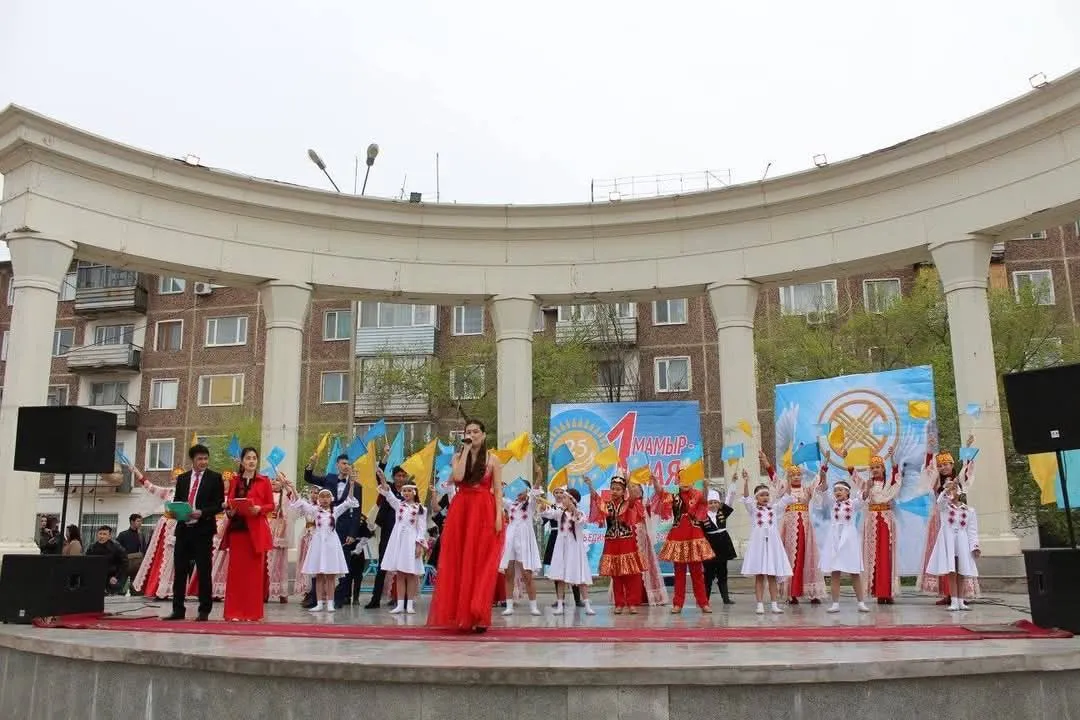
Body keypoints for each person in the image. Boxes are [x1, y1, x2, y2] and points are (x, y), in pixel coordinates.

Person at [427, 419, 506, 632]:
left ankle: (479, 613)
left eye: (476, 431)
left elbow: (498, 490)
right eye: (468, 432)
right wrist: (466, 450)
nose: (472, 435)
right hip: (461, 510)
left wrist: (499, 516)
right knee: (460, 560)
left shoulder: (493, 459)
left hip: (484, 509)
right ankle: (461, 614)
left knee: (481, 562)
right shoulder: (457, 457)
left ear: (484, 434)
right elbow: (459, 477)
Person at [165, 445, 225, 621]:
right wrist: (174, 511)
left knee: (204, 571)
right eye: (200, 459)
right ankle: (178, 610)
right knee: (180, 570)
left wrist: (202, 512)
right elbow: (177, 500)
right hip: (183, 529)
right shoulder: (183, 478)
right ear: (193, 460)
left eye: (206, 458)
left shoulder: (215, 478)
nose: (203, 462)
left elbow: (219, 504)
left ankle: (204, 610)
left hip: (203, 530)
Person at [917, 433, 977, 605]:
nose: (943, 468)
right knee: (944, 556)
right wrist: (930, 451)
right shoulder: (936, 482)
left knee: (960, 557)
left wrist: (967, 448)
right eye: (940, 465)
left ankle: (960, 595)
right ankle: (948, 593)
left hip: (958, 521)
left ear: (952, 465)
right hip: (941, 521)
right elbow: (927, 472)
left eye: (946, 464)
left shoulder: (959, 480)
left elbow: (967, 469)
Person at [762, 450, 826, 605]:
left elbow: (819, 483)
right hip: (789, 526)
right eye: (793, 475)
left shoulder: (807, 489)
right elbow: (774, 477)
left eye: (798, 475)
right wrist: (766, 462)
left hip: (805, 527)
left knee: (807, 556)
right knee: (790, 556)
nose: (796, 477)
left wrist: (825, 467)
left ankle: (812, 592)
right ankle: (792, 593)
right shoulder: (785, 488)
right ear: (789, 477)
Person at [221, 447, 274, 622]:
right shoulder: (235, 481)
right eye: (248, 458)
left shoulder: (264, 481)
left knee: (254, 576)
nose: (251, 461)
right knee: (236, 574)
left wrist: (259, 508)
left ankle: (252, 613)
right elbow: (230, 503)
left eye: (254, 458)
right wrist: (229, 509)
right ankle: (234, 612)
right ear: (242, 461)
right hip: (238, 530)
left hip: (256, 532)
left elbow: (271, 505)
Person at [304, 452, 362, 608]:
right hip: (324, 529)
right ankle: (316, 600)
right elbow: (309, 478)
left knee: (342, 564)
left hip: (344, 529)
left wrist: (353, 533)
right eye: (343, 463)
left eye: (348, 464)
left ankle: (337, 600)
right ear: (337, 465)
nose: (346, 466)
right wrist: (312, 463)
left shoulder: (356, 486)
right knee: (319, 564)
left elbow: (357, 511)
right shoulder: (329, 478)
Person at [652, 470, 715, 614]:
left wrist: (706, 486)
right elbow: (661, 494)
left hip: (694, 537)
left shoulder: (697, 495)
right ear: (678, 481)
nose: (685, 483)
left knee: (697, 573)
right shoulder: (674, 497)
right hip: (678, 537)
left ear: (693, 482)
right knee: (679, 573)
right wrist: (655, 482)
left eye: (688, 480)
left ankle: (703, 603)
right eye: (682, 480)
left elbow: (704, 502)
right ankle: (678, 603)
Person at [289, 485, 359, 612]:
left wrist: (352, 484)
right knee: (319, 575)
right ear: (318, 499)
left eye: (327, 497)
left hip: (331, 545)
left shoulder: (335, 510)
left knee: (330, 576)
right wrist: (293, 489)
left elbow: (348, 501)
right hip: (318, 545)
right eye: (322, 497)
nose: (325, 499)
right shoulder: (315, 511)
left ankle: (330, 603)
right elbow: (301, 502)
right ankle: (319, 603)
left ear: (331, 499)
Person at [816, 466, 871, 614]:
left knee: (854, 572)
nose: (837, 492)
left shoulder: (853, 503)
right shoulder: (832, 503)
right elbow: (824, 491)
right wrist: (824, 476)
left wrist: (868, 485)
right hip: (834, 539)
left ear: (847, 492)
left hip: (849, 539)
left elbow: (864, 497)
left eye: (840, 490)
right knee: (835, 572)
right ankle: (835, 603)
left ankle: (861, 602)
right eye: (836, 490)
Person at [587, 473, 644, 614]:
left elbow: (633, 497)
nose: (615, 491)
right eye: (613, 488)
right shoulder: (607, 505)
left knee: (630, 573)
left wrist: (629, 482)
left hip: (627, 541)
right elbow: (596, 499)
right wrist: (590, 485)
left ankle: (632, 603)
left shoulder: (627, 504)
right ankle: (619, 603)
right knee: (616, 574)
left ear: (623, 491)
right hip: (612, 541)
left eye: (618, 489)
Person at [739, 469, 794, 615]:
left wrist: (789, 480)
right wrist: (746, 481)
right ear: (756, 497)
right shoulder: (753, 509)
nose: (765, 497)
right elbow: (746, 497)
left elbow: (786, 497)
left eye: (767, 495)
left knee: (772, 575)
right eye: (762, 495)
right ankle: (759, 604)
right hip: (758, 546)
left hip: (772, 546)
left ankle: (774, 604)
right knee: (759, 575)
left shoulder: (774, 509)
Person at [376, 472, 428, 615]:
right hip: (399, 542)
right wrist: (382, 479)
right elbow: (388, 494)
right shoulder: (399, 505)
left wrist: (419, 545)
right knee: (399, 574)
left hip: (411, 542)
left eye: (409, 490)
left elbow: (421, 528)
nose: (406, 493)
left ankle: (409, 604)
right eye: (404, 491)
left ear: (414, 492)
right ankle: (399, 604)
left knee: (410, 574)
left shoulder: (421, 509)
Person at [926, 480, 981, 611]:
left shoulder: (969, 510)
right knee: (952, 570)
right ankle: (954, 601)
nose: (952, 491)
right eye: (949, 489)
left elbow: (972, 530)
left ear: (960, 491)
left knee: (962, 570)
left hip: (962, 541)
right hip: (948, 541)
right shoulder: (945, 508)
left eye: (954, 488)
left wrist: (975, 546)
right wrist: (946, 490)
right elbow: (940, 502)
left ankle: (961, 601)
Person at [541, 488, 594, 615]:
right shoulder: (560, 512)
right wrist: (543, 507)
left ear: (572, 500)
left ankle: (587, 605)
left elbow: (580, 520)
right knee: (560, 577)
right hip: (561, 549)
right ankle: (560, 605)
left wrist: (573, 509)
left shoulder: (580, 513)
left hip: (575, 549)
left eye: (565, 497)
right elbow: (548, 513)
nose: (562, 499)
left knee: (581, 578)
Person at [129, 467, 180, 599]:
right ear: (173, 480)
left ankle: (174, 590)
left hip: (180, 528)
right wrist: (137, 472)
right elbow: (150, 487)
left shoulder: (190, 494)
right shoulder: (169, 492)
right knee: (161, 557)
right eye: (176, 478)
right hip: (166, 528)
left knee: (178, 560)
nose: (178, 480)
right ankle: (158, 588)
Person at [499, 475, 545, 616]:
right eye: (517, 490)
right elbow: (497, 496)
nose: (519, 493)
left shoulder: (530, 505)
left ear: (527, 491)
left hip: (524, 541)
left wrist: (538, 476)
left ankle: (533, 606)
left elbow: (535, 491)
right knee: (509, 573)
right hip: (511, 540)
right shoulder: (510, 504)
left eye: (522, 490)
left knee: (527, 575)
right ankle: (509, 606)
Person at [859, 455, 902, 604]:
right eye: (872, 468)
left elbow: (896, 478)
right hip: (872, 521)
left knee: (886, 555)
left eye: (877, 467)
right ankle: (877, 592)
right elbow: (862, 497)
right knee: (874, 555)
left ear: (883, 468)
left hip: (885, 520)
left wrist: (893, 460)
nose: (875, 470)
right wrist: (867, 488)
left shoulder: (888, 483)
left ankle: (887, 592)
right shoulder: (868, 483)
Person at [367, 460, 405, 609]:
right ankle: (375, 599)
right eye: (398, 475)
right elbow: (379, 476)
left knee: (403, 567)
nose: (401, 478)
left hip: (403, 533)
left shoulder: (410, 490)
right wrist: (384, 459)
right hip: (388, 530)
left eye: (403, 476)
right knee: (383, 565)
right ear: (393, 477)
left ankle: (401, 599)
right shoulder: (388, 487)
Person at [627, 482, 668, 606]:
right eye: (632, 486)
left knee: (645, 564)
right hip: (630, 536)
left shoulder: (646, 502)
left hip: (643, 538)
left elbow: (653, 515)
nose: (635, 488)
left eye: (637, 486)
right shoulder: (627, 503)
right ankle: (630, 595)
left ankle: (647, 595)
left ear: (641, 489)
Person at [702, 487, 737, 605]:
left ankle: (725, 598)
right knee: (708, 574)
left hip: (723, 546)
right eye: (710, 502)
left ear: (719, 503)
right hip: (709, 547)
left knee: (723, 572)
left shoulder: (722, 512)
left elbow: (730, 499)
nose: (713, 505)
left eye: (715, 502)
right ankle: (705, 600)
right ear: (707, 504)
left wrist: (733, 484)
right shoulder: (702, 516)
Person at [85, 526, 129, 594]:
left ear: (109, 536)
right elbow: (87, 563)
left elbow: (124, 564)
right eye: (100, 534)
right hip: (97, 577)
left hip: (113, 576)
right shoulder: (92, 548)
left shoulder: (117, 548)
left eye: (104, 534)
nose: (101, 536)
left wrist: (116, 577)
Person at [115, 513, 146, 587]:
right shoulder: (123, 534)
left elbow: (144, 549)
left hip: (137, 564)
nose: (140, 523)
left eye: (141, 521)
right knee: (120, 587)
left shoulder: (141, 535)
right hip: (125, 564)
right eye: (138, 521)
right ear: (132, 522)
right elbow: (116, 549)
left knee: (136, 588)